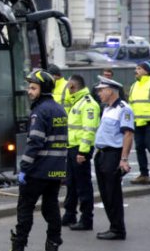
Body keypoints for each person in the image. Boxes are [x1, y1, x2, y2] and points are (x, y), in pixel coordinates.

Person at [10, 69, 68, 251]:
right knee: (51, 209)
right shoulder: (60, 110)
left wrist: (24, 168)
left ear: (43, 90)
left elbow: (35, 141)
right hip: (55, 171)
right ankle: (53, 243)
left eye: (33, 88)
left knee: (25, 208)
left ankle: (19, 244)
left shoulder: (39, 112)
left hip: (37, 171)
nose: (29, 91)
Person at [94, 76, 134, 240]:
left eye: (101, 90)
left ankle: (118, 230)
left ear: (110, 91)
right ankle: (113, 226)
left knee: (113, 194)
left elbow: (128, 134)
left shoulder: (124, 109)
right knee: (105, 194)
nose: (99, 93)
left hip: (113, 155)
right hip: (102, 155)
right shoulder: (107, 108)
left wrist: (123, 159)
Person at [61, 75, 100, 231]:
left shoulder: (88, 104)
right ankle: (70, 214)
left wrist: (82, 152)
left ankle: (86, 219)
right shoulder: (76, 101)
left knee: (83, 185)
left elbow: (88, 130)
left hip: (80, 149)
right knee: (71, 183)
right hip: (72, 148)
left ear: (72, 87)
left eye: (67, 86)